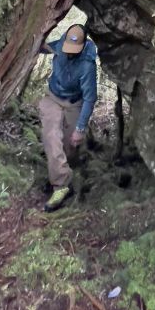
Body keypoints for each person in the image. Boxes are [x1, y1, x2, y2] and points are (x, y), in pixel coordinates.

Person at [38, 23, 98, 212]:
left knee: (70, 144)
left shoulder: (87, 66)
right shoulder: (61, 44)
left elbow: (89, 98)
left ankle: (62, 172)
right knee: (51, 135)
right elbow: (46, 47)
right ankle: (61, 185)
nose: (69, 53)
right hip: (53, 97)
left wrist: (80, 128)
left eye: (74, 50)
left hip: (75, 103)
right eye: (67, 49)